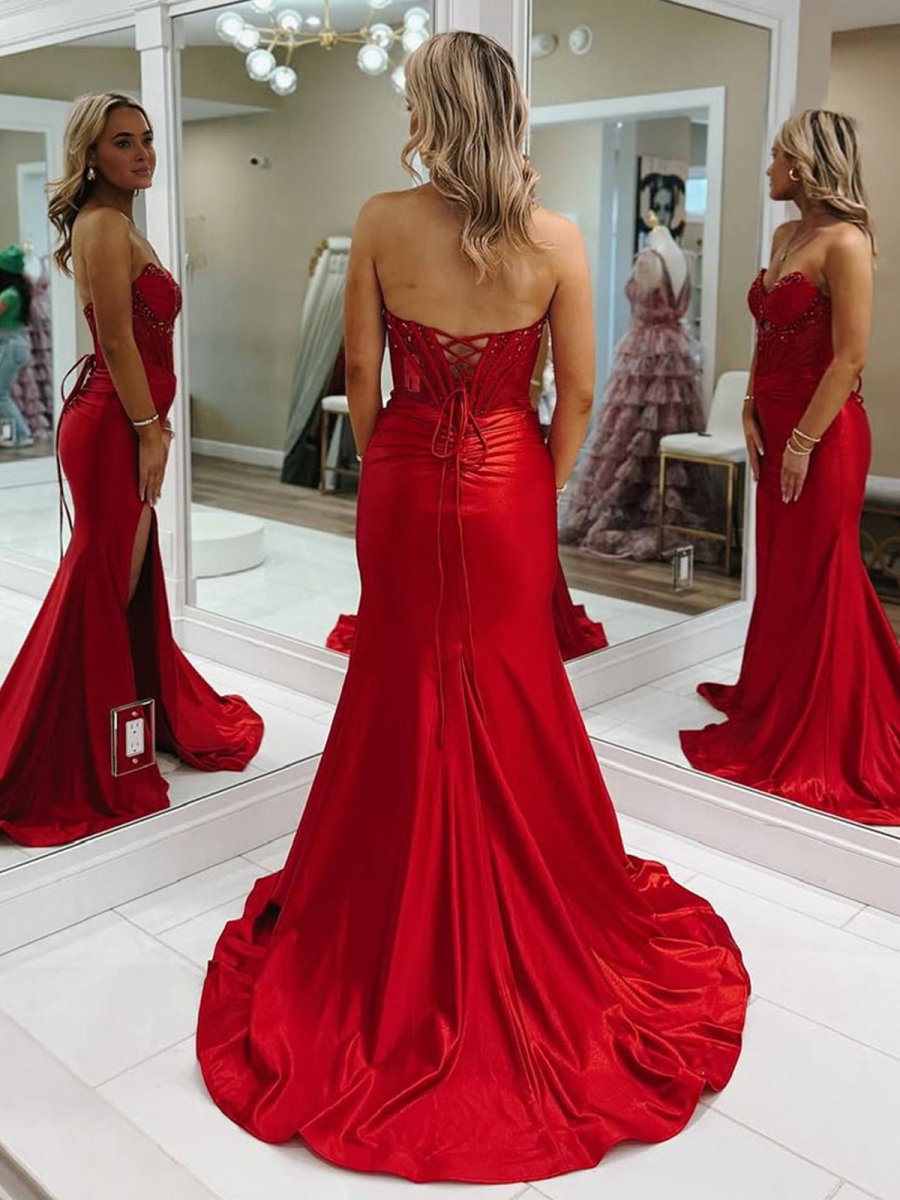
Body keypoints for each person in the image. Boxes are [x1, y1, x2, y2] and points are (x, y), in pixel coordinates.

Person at [197, 34, 749, 1184]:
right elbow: (580, 390)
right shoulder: (559, 238)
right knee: (510, 686)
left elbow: (361, 382)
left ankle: (386, 917)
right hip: (507, 485)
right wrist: (531, 486)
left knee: (399, 682)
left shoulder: (382, 221)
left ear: (431, 111)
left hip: (403, 479)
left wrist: (405, 456)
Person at [0, 93, 263, 847]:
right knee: (101, 580)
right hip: (113, 424)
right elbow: (116, 339)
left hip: (127, 418)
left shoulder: (117, 221)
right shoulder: (103, 225)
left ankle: (112, 723)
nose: (143, 153)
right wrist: (150, 431)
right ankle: (60, 747)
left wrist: (153, 424)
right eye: (123, 142)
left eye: (146, 139)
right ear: (90, 154)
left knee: (119, 582)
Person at [681, 110, 900, 823]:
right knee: (780, 571)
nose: (769, 167)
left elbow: (851, 358)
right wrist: (749, 407)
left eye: (777, 156)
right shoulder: (784, 236)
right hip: (774, 427)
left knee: (820, 573)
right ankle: (778, 698)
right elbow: (768, 332)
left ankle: (827, 726)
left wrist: (803, 442)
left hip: (826, 435)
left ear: (804, 165)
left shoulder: (846, 242)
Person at [0, 245, 35, 448]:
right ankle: (8, 436)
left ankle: (22, 435)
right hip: (13, 344)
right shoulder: (17, 292)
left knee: (1, 395)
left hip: (10, 345)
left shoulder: (9, 295)